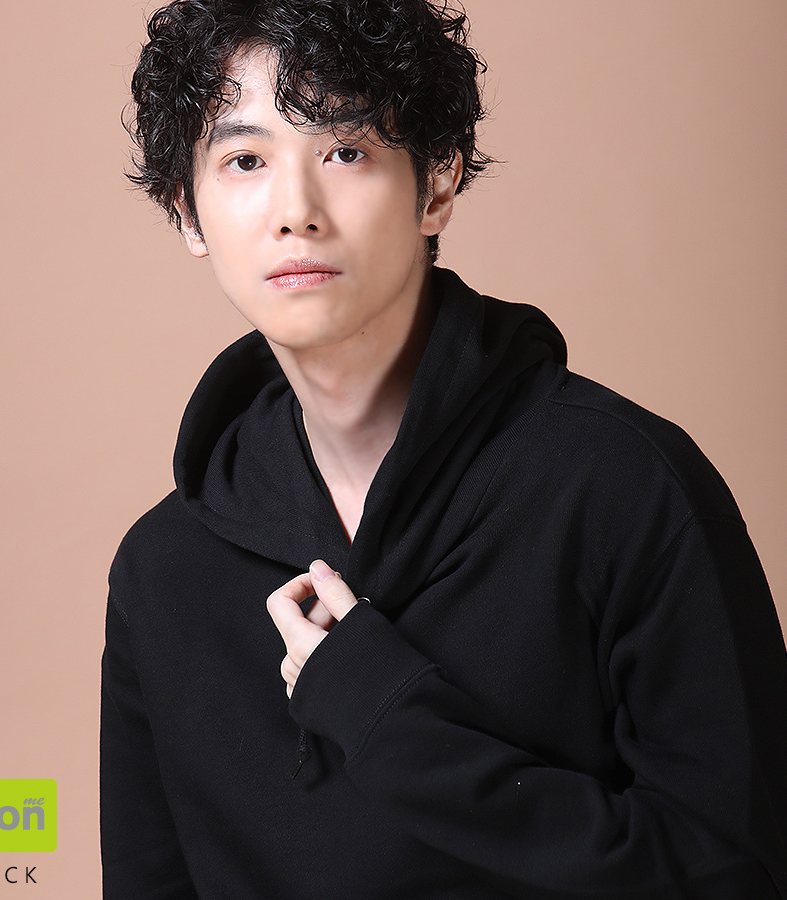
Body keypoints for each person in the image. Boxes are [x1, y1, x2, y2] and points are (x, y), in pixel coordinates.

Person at [100, 1, 787, 897]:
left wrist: (390, 721)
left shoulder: (624, 490)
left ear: (436, 185)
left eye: (345, 150)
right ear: (189, 215)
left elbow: (738, 872)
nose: (296, 212)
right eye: (245, 161)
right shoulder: (163, 569)